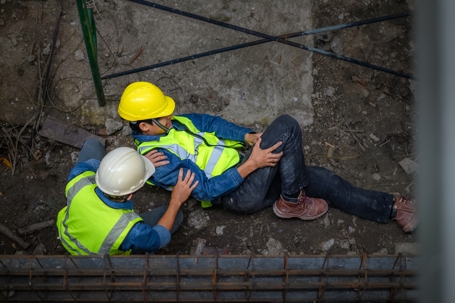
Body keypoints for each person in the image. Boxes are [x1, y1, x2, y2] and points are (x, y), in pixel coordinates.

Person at [117, 81, 417, 233]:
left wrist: (247, 137)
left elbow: (209, 123)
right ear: (145, 126)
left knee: (322, 179)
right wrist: (252, 164)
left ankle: (391, 208)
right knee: (286, 125)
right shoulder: (158, 160)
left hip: (247, 168)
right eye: (163, 116)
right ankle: (291, 201)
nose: (171, 115)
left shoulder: (173, 123)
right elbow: (206, 190)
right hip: (236, 194)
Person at [56, 138, 198, 255]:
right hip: (96, 259)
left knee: (92, 144)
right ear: (129, 195)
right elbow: (158, 238)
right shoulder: (130, 230)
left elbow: (97, 168)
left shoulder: (78, 178)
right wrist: (176, 200)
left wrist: (134, 166)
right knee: (176, 215)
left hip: (66, 235)